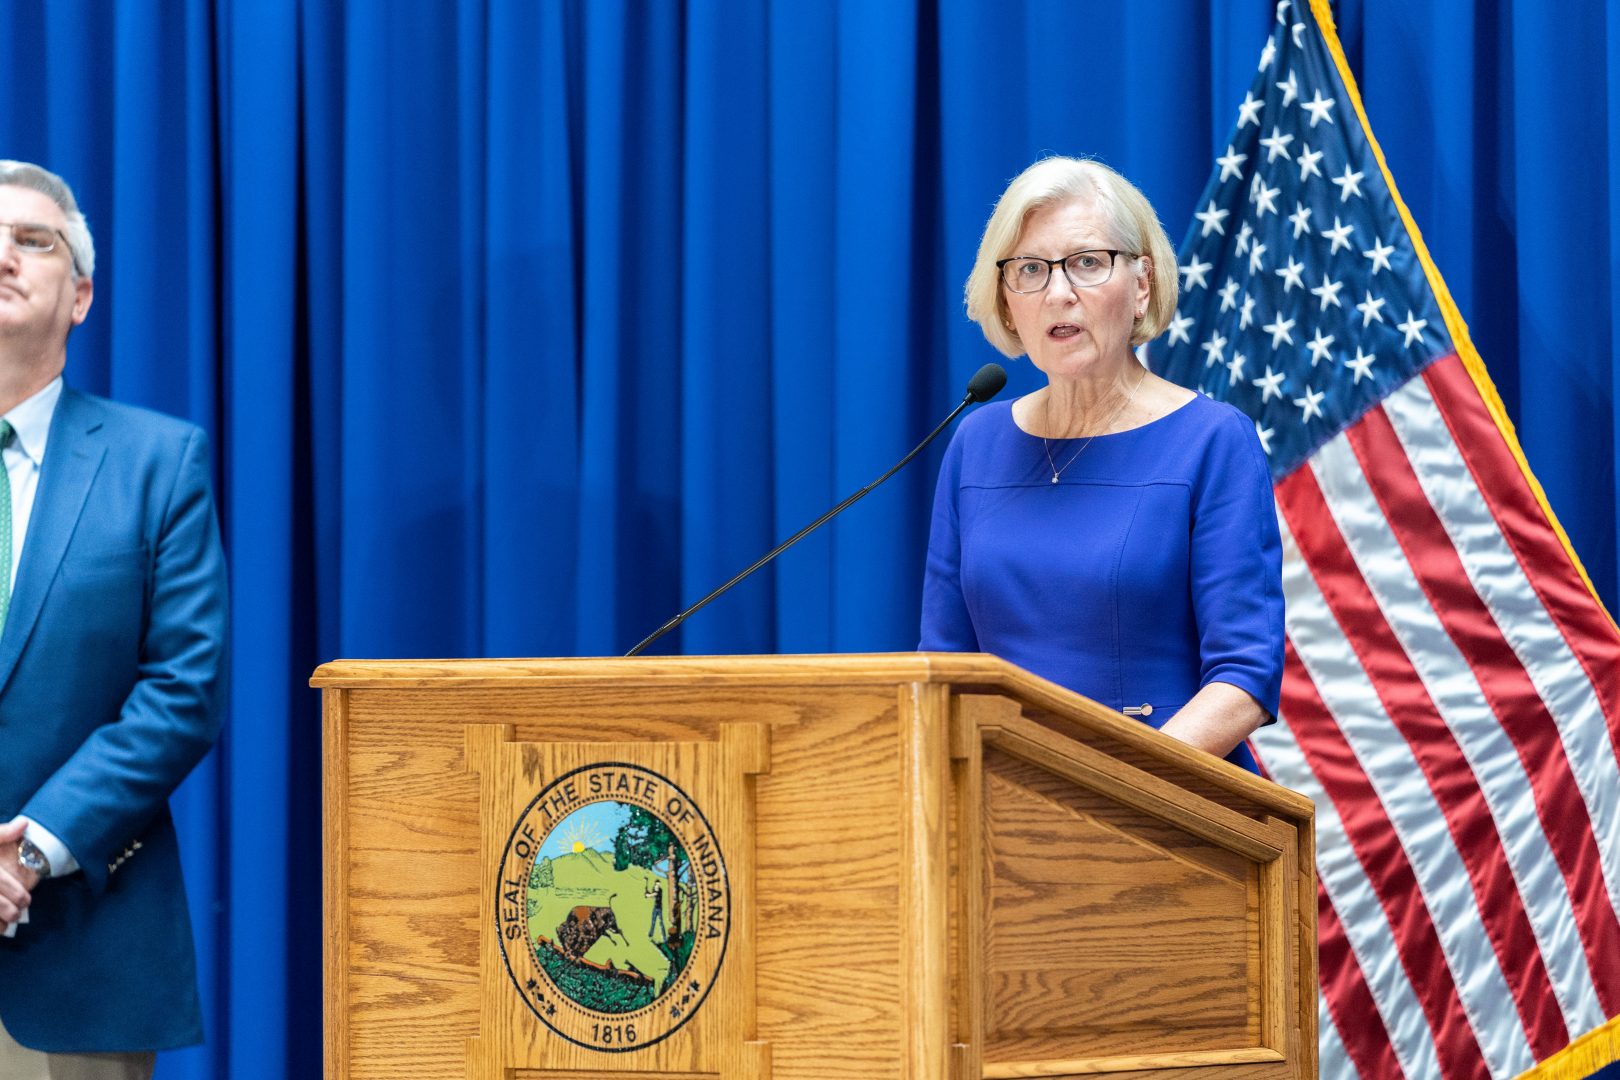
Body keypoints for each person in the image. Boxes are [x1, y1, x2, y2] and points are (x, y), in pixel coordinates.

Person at [920, 156, 1282, 772]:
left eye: (1087, 263)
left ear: (1142, 284)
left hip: (1165, 809)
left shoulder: (1213, 441)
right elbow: (944, 663)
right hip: (1000, 811)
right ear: (1007, 301)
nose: (1059, 292)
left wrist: (1108, 787)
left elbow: (1243, 678)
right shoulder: (975, 442)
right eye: (1031, 269)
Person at [0, 161, 228, 1078]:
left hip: (81, 952)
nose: (4, 260)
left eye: (32, 241)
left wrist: (32, 850)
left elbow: (184, 689)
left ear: (82, 295)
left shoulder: (158, 463)